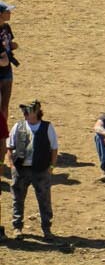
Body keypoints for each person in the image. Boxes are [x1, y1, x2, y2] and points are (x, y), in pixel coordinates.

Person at [7, 100, 57, 239]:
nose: (24, 113)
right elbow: (10, 147)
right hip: (20, 169)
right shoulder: (18, 126)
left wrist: (51, 167)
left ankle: (46, 229)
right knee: (17, 199)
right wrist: (12, 165)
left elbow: (54, 149)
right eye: (24, 111)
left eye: (27, 111)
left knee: (44, 200)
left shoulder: (47, 127)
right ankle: (17, 228)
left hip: (41, 170)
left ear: (36, 112)